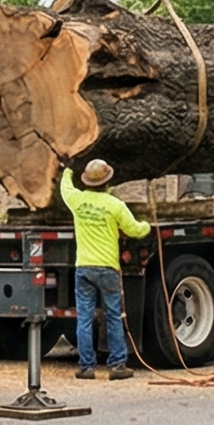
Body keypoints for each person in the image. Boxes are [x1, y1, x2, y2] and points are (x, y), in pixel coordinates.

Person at [61, 159, 151, 381]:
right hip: (108, 269)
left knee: (83, 318)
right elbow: (134, 230)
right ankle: (118, 366)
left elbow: (65, 188)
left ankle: (86, 367)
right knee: (112, 316)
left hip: (84, 268)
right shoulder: (115, 205)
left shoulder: (77, 200)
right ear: (107, 181)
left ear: (87, 182)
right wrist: (147, 226)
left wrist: (67, 169)